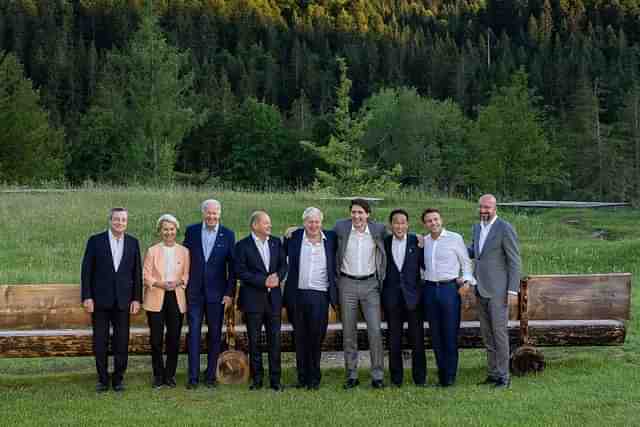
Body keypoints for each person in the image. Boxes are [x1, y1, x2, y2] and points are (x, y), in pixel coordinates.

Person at [81, 207, 142, 393]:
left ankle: (118, 379)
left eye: (123, 220)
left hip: (124, 301)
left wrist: (137, 298)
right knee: (100, 341)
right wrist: (87, 297)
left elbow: (136, 272)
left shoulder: (133, 242)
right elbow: (86, 271)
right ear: (110, 220)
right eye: (117, 219)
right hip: (100, 301)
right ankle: (102, 379)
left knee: (121, 341)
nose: (120, 223)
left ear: (127, 222)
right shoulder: (95, 241)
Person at [468, 194, 521, 389]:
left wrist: (512, 291)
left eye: (488, 207)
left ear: (495, 208)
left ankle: (504, 377)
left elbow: (514, 261)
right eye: (481, 207)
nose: (484, 210)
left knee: (499, 335)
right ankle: (492, 373)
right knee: (487, 335)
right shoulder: (476, 227)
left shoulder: (505, 228)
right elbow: (474, 252)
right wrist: (451, 246)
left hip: (499, 292)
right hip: (480, 289)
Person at [334, 198, 387, 389]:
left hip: (371, 284)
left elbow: (399, 235)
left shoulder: (378, 229)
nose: (357, 216)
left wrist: (419, 238)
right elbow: (318, 233)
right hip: (347, 283)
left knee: (374, 331)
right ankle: (351, 375)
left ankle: (377, 375)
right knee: (349, 332)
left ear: (368, 214)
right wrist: (293, 232)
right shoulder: (340, 227)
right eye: (353, 212)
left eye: (360, 213)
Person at [183, 199, 236, 389]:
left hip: (218, 295)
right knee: (194, 334)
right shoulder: (192, 231)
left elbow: (233, 267)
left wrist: (229, 293)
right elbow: (184, 258)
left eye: (215, 213)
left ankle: (211, 377)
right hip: (194, 294)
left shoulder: (228, 235)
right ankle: (193, 378)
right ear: (203, 213)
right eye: (208, 213)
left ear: (220, 214)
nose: (211, 216)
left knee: (215, 335)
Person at [283, 207, 338, 390]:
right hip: (297, 294)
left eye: (316, 221)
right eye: (309, 221)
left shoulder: (331, 238)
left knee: (316, 337)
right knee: (299, 338)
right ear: (304, 222)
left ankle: (314, 378)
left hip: (320, 295)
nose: (313, 225)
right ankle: (302, 378)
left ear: (321, 223)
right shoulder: (295, 237)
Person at [421, 208, 475, 387]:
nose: (433, 223)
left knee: (450, 334)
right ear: (425, 224)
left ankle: (450, 377)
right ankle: (441, 373)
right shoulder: (424, 241)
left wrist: (466, 281)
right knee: (435, 335)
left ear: (441, 220)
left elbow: (466, 262)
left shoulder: (454, 238)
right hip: (429, 289)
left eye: (436, 219)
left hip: (449, 289)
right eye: (429, 221)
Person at [234, 210, 287, 391]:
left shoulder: (276, 242)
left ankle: (275, 380)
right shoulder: (242, 246)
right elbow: (240, 271)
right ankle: (257, 380)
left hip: (273, 301)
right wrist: (262, 281)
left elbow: (283, 265)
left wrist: (278, 277)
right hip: (252, 301)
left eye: (269, 223)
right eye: (266, 223)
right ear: (255, 225)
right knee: (254, 342)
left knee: (275, 341)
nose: (269, 226)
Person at [142, 214, 190, 389]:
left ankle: (170, 375)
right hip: (156, 296)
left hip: (176, 297)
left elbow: (186, 274)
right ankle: (158, 375)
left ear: (176, 230)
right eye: (165, 229)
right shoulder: (152, 251)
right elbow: (145, 275)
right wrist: (159, 283)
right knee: (156, 340)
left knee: (174, 339)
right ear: (160, 231)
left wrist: (178, 282)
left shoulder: (184, 251)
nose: (168, 232)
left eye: (171, 229)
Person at [382, 209, 426, 387]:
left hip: (413, 298)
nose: (399, 226)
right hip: (392, 298)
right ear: (390, 225)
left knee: (417, 339)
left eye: (402, 222)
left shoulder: (417, 241)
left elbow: (427, 264)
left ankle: (420, 378)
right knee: (394, 340)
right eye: (396, 222)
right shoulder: (383, 242)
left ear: (407, 224)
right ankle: (396, 379)